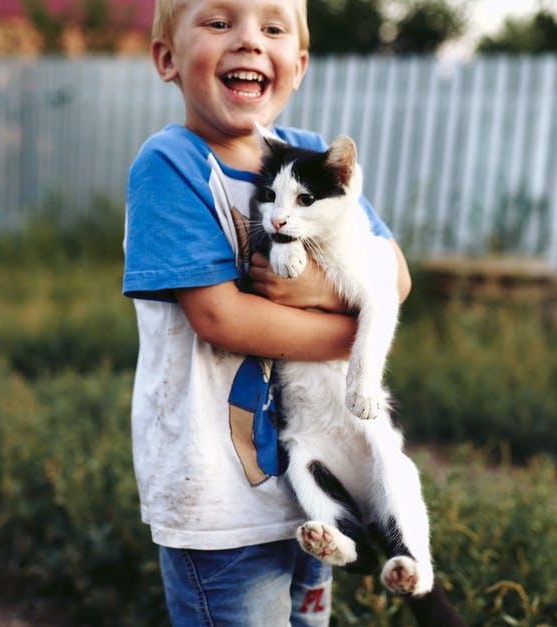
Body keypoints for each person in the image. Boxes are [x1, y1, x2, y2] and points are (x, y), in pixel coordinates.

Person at [122, 0, 411, 624]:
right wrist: (352, 330)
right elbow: (220, 319)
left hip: (309, 491)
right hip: (219, 500)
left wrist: (306, 291)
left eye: (273, 28)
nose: (249, 42)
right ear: (167, 58)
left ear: (298, 64)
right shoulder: (171, 166)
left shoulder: (309, 158)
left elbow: (396, 274)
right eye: (220, 23)